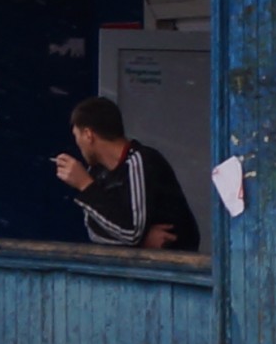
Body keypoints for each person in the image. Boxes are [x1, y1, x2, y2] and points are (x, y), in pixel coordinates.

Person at [54, 95, 200, 254]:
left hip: (173, 268)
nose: (78, 144)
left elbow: (131, 231)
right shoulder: (96, 171)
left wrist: (85, 185)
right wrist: (142, 241)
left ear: (88, 135)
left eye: (77, 136)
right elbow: (94, 230)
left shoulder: (140, 161)